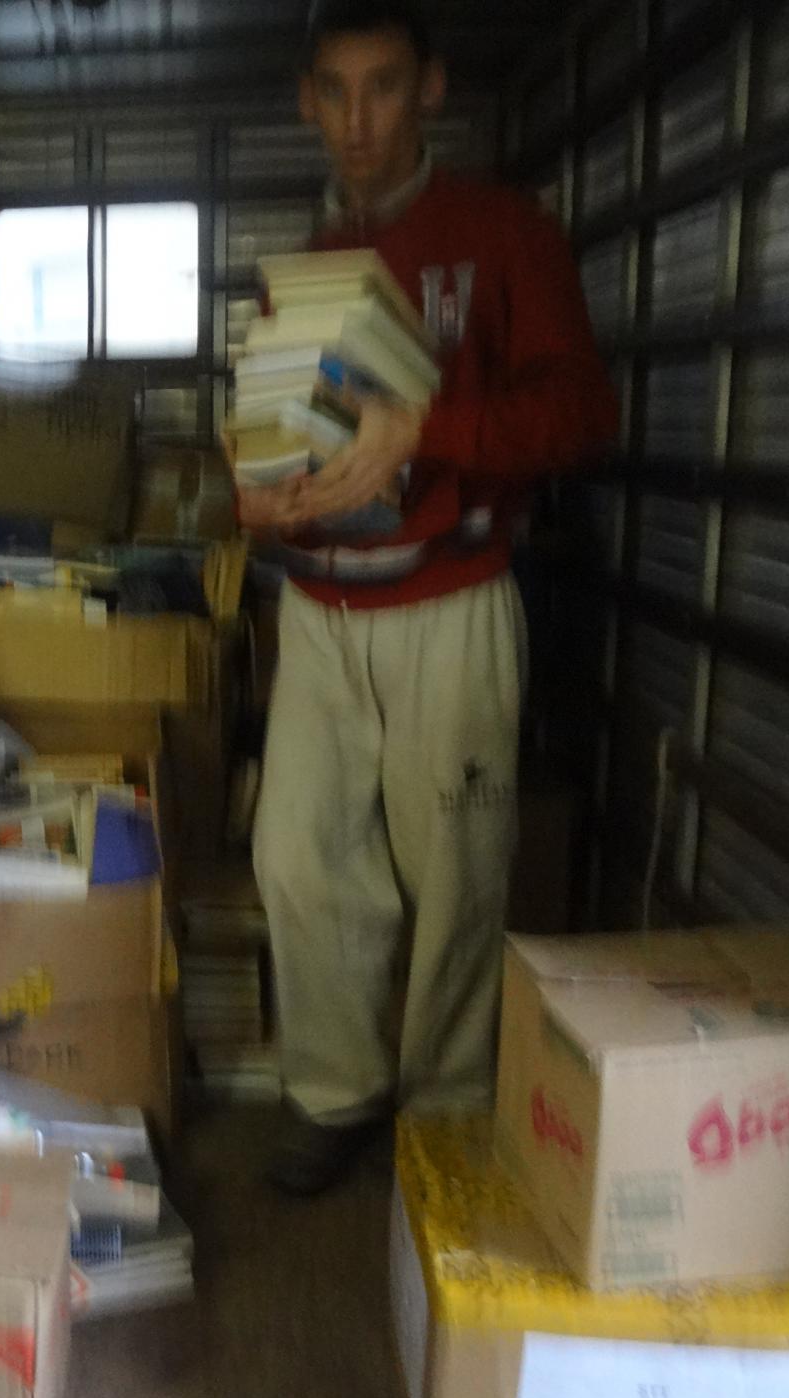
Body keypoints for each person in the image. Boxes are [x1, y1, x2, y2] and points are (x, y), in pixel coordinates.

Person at [243, 0, 618, 1195]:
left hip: (452, 595)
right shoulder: (304, 270)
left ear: (432, 90)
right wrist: (260, 492)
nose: (359, 119)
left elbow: (581, 415)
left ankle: (448, 1111)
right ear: (307, 101)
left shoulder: (506, 236)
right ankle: (336, 1091)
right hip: (319, 609)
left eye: (385, 86)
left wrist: (426, 427)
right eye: (335, 90)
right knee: (298, 856)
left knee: (458, 873)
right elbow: (281, 438)